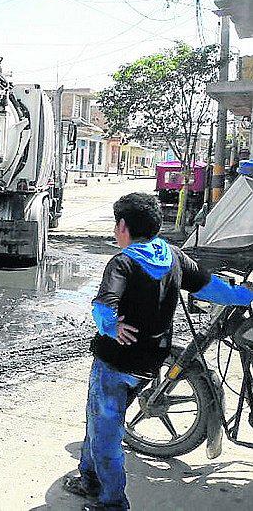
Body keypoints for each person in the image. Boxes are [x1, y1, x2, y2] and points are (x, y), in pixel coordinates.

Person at [64, 192, 252, 511]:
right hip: (150, 362)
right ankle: (88, 476)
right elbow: (211, 288)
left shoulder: (122, 262)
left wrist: (111, 327)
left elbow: (103, 306)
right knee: (97, 419)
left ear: (122, 226)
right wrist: (245, 296)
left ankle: (112, 501)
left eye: (114, 224)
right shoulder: (173, 255)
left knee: (107, 431)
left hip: (115, 362)